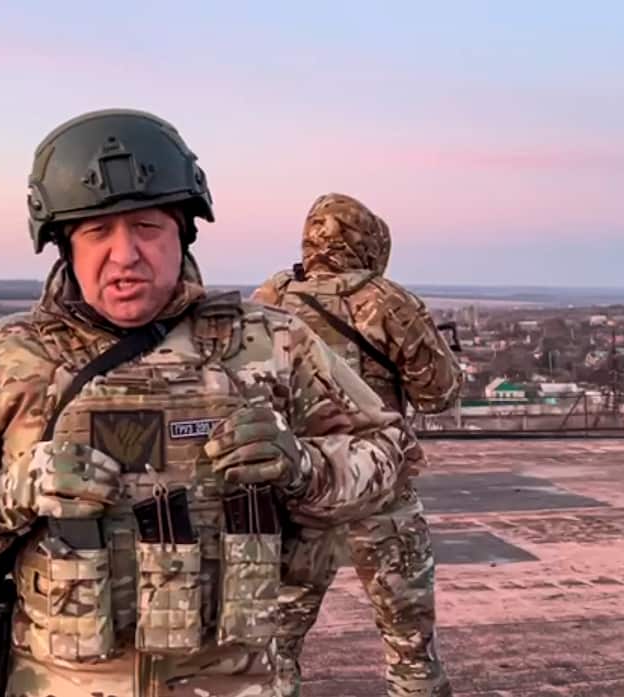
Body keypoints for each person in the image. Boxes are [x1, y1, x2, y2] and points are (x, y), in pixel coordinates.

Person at [0, 110, 419, 697]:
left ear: (183, 232)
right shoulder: (2, 360)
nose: (125, 254)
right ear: (63, 246)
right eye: (98, 232)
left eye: (147, 227)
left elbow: (387, 451)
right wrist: (7, 495)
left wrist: (303, 467)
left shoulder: (272, 344)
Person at [252, 192, 462, 697]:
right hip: (379, 497)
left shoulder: (269, 300)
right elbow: (439, 394)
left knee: (270, 657)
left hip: (297, 499)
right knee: (411, 650)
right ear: (366, 241)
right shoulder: (387, 302)